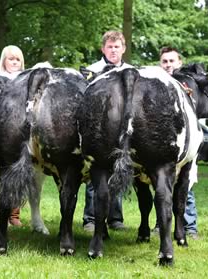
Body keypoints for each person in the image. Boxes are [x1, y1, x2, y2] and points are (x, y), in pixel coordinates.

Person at [83, 30, 133, 232]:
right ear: (103, 49)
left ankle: (115, 218)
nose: (113, 50)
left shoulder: (131, 72)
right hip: (97, 132)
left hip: (121, 131)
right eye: (110, 46)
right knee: (95, 176)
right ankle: (91, 219)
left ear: (123, 48)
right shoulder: (91, 71)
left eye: (117, 46)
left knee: (118, 171)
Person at [152, 46, 199, 240]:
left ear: (179, 63)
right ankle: (159, 224)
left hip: (184, 144)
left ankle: (190, 226)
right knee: (160, 186)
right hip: (162, 144)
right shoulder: (154, 85)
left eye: (172, 61)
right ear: (160, 64)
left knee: (184, 185)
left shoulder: (188, 85)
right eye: (164, 61)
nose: (168, 65)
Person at [0, 45, 26, 227]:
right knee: (1, 177)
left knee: (17, 174)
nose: (14, 62)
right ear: (3, 61)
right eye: (11, 59)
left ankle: (14, 214)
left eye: (17, 59)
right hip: (0, 131)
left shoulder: (25, 79)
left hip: (19, 131)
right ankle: (1, 213)